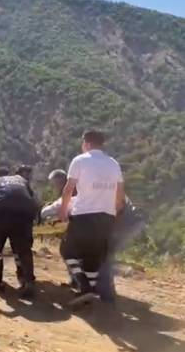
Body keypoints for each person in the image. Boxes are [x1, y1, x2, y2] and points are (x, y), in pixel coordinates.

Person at [59, 130, 125, 307]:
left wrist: (64, 211)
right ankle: (91, 292)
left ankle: (83, 285)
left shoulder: (80, 160)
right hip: (107, 217)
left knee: (67, 250)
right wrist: (114, 213)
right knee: (93, 257)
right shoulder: (113, 164)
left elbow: (68, 188)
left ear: (86, 143)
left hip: (84, 215)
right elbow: (120, 194)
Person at [0, 166, 40, 297]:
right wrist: (37, 217)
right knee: (24, 250)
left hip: (1, 214)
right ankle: (28, 282)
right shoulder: (21, 180)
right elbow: (35, 199)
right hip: (24, 215)